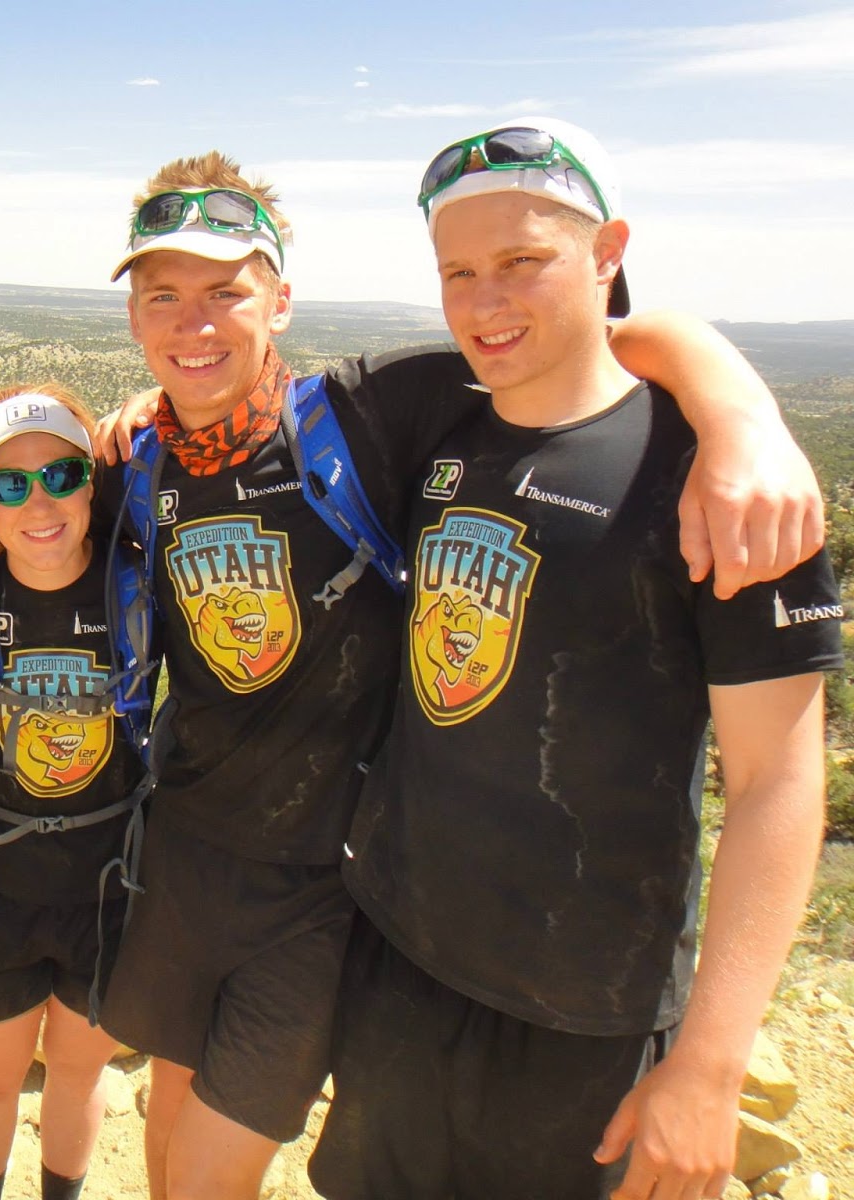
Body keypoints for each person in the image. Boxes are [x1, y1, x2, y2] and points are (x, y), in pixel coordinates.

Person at [91, 152, 827, 1200]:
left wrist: (744, 417)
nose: (193, 322)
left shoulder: (380, 414)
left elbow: (609, 342)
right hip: (324, 911)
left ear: (280, 301)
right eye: (163, 297)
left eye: (226, 292)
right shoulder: (144, 459)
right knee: (187, 1111)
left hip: (432, 928)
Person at [308, 117, 842, 1200]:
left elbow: (778, 782)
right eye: (458, 273)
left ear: (608, 254)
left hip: (588, 1013)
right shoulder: (440, 427)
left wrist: (711, 1064)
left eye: (522, 261)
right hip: (402, 962)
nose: (484, 304)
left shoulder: (717, 488)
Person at [0, 385, 150, 1200]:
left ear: (92, 483)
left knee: (76, 1072)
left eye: (61, 475)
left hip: (108, 887)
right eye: (8, 484)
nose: (37, 502)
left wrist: (156, 407)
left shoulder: (135, 584)